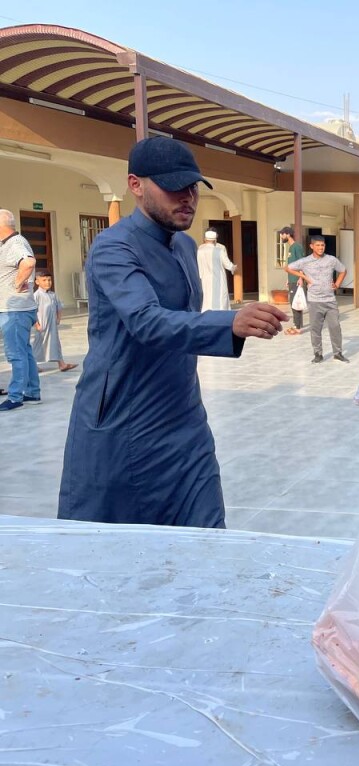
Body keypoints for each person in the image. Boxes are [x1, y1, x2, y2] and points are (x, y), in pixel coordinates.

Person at [57, 137, 287, 528]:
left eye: (193, 187)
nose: (188, 198)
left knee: (206, 536)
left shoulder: (184, 245)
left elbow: (182, 320)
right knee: (119, 548)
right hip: (125, 423)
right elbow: (146, 320)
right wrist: (228, 322)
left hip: (184, 419)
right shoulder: (114, 248)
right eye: (173, 187)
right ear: (135, 185)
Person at [0, 208, 40, 412]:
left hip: (15, 310)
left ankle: (15, 396)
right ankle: (32, 392)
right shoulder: (9, 243)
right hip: (19, 309)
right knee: (24, 351)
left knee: (16, 354)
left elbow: (29, 263)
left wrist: (17, 284)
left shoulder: (15, 243)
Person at [286, 235, 348, 363]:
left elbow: (343, 270)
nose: (321, 248)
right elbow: (288, 268)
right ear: (312, 246)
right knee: (315, 328)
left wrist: (337, 284)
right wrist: (304, 277)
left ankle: (338, 353)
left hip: (330, 301)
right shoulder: (305, 261)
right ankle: (318, 354)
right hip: (314, 301)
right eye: (318, 245)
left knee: (335, 327)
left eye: (322, 245)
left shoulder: (331, 260)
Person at [32, 271, 77, 372]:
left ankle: (62, 364)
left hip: (52, 325)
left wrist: (58, 318)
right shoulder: (36, 296)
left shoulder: (53, 295)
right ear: (37, 282)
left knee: (56, 343)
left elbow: (59, 307)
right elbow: (32, 311)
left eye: (49, 280)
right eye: (44, 280)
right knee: (39, 345)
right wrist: (37, 324)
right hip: (42, 326)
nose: (47, 282)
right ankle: (33, 365)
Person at [196, 229, 236, 311]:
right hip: (219, 278)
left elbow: (198, 265)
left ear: (205, 239)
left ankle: (208, 315)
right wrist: (233, 267)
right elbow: (228, 265)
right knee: (220, 299)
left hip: (205, 278)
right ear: (215, 240)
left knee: (207, 298)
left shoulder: (200, 250)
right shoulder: (220, 250)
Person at [279, 226, 306, 335]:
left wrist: (301, 278)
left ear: (288, 234)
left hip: (296, 279)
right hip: (292, 279)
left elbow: (302, 262)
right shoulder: (291, 247)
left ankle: (297, 327)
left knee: (296, 303)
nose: (281, 236)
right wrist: (288, 278)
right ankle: (297, 325)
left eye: (282, 234)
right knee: (293, 302)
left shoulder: (297, 247)